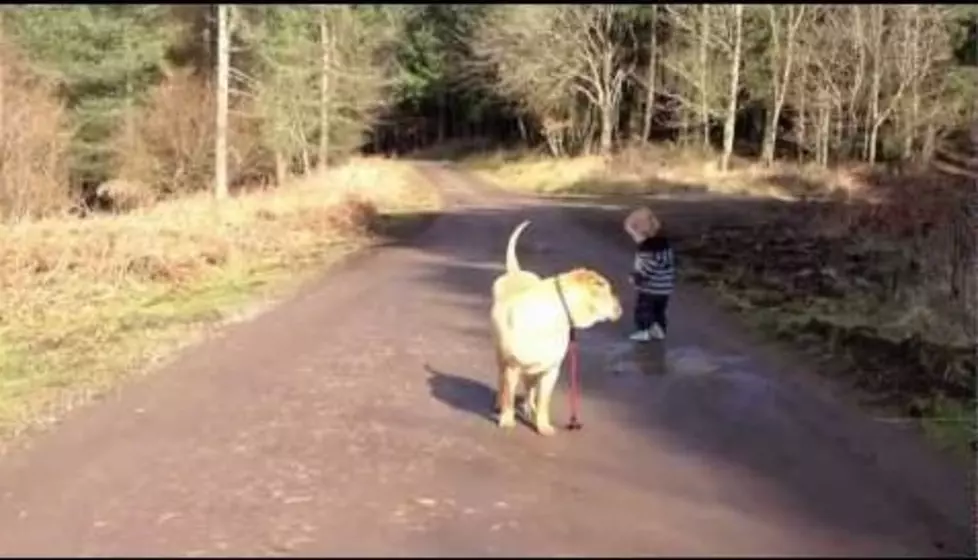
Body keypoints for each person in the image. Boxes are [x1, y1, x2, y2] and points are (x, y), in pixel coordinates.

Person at [624, 206, 675, 342]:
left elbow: (648, 268)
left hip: (650, 288)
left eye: (634, 234)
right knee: (659, 311)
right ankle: (659, 329)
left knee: (643, 310)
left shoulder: (647, 250)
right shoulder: (665, 246)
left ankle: (644, 330)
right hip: (664, 287)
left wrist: (637, 278)